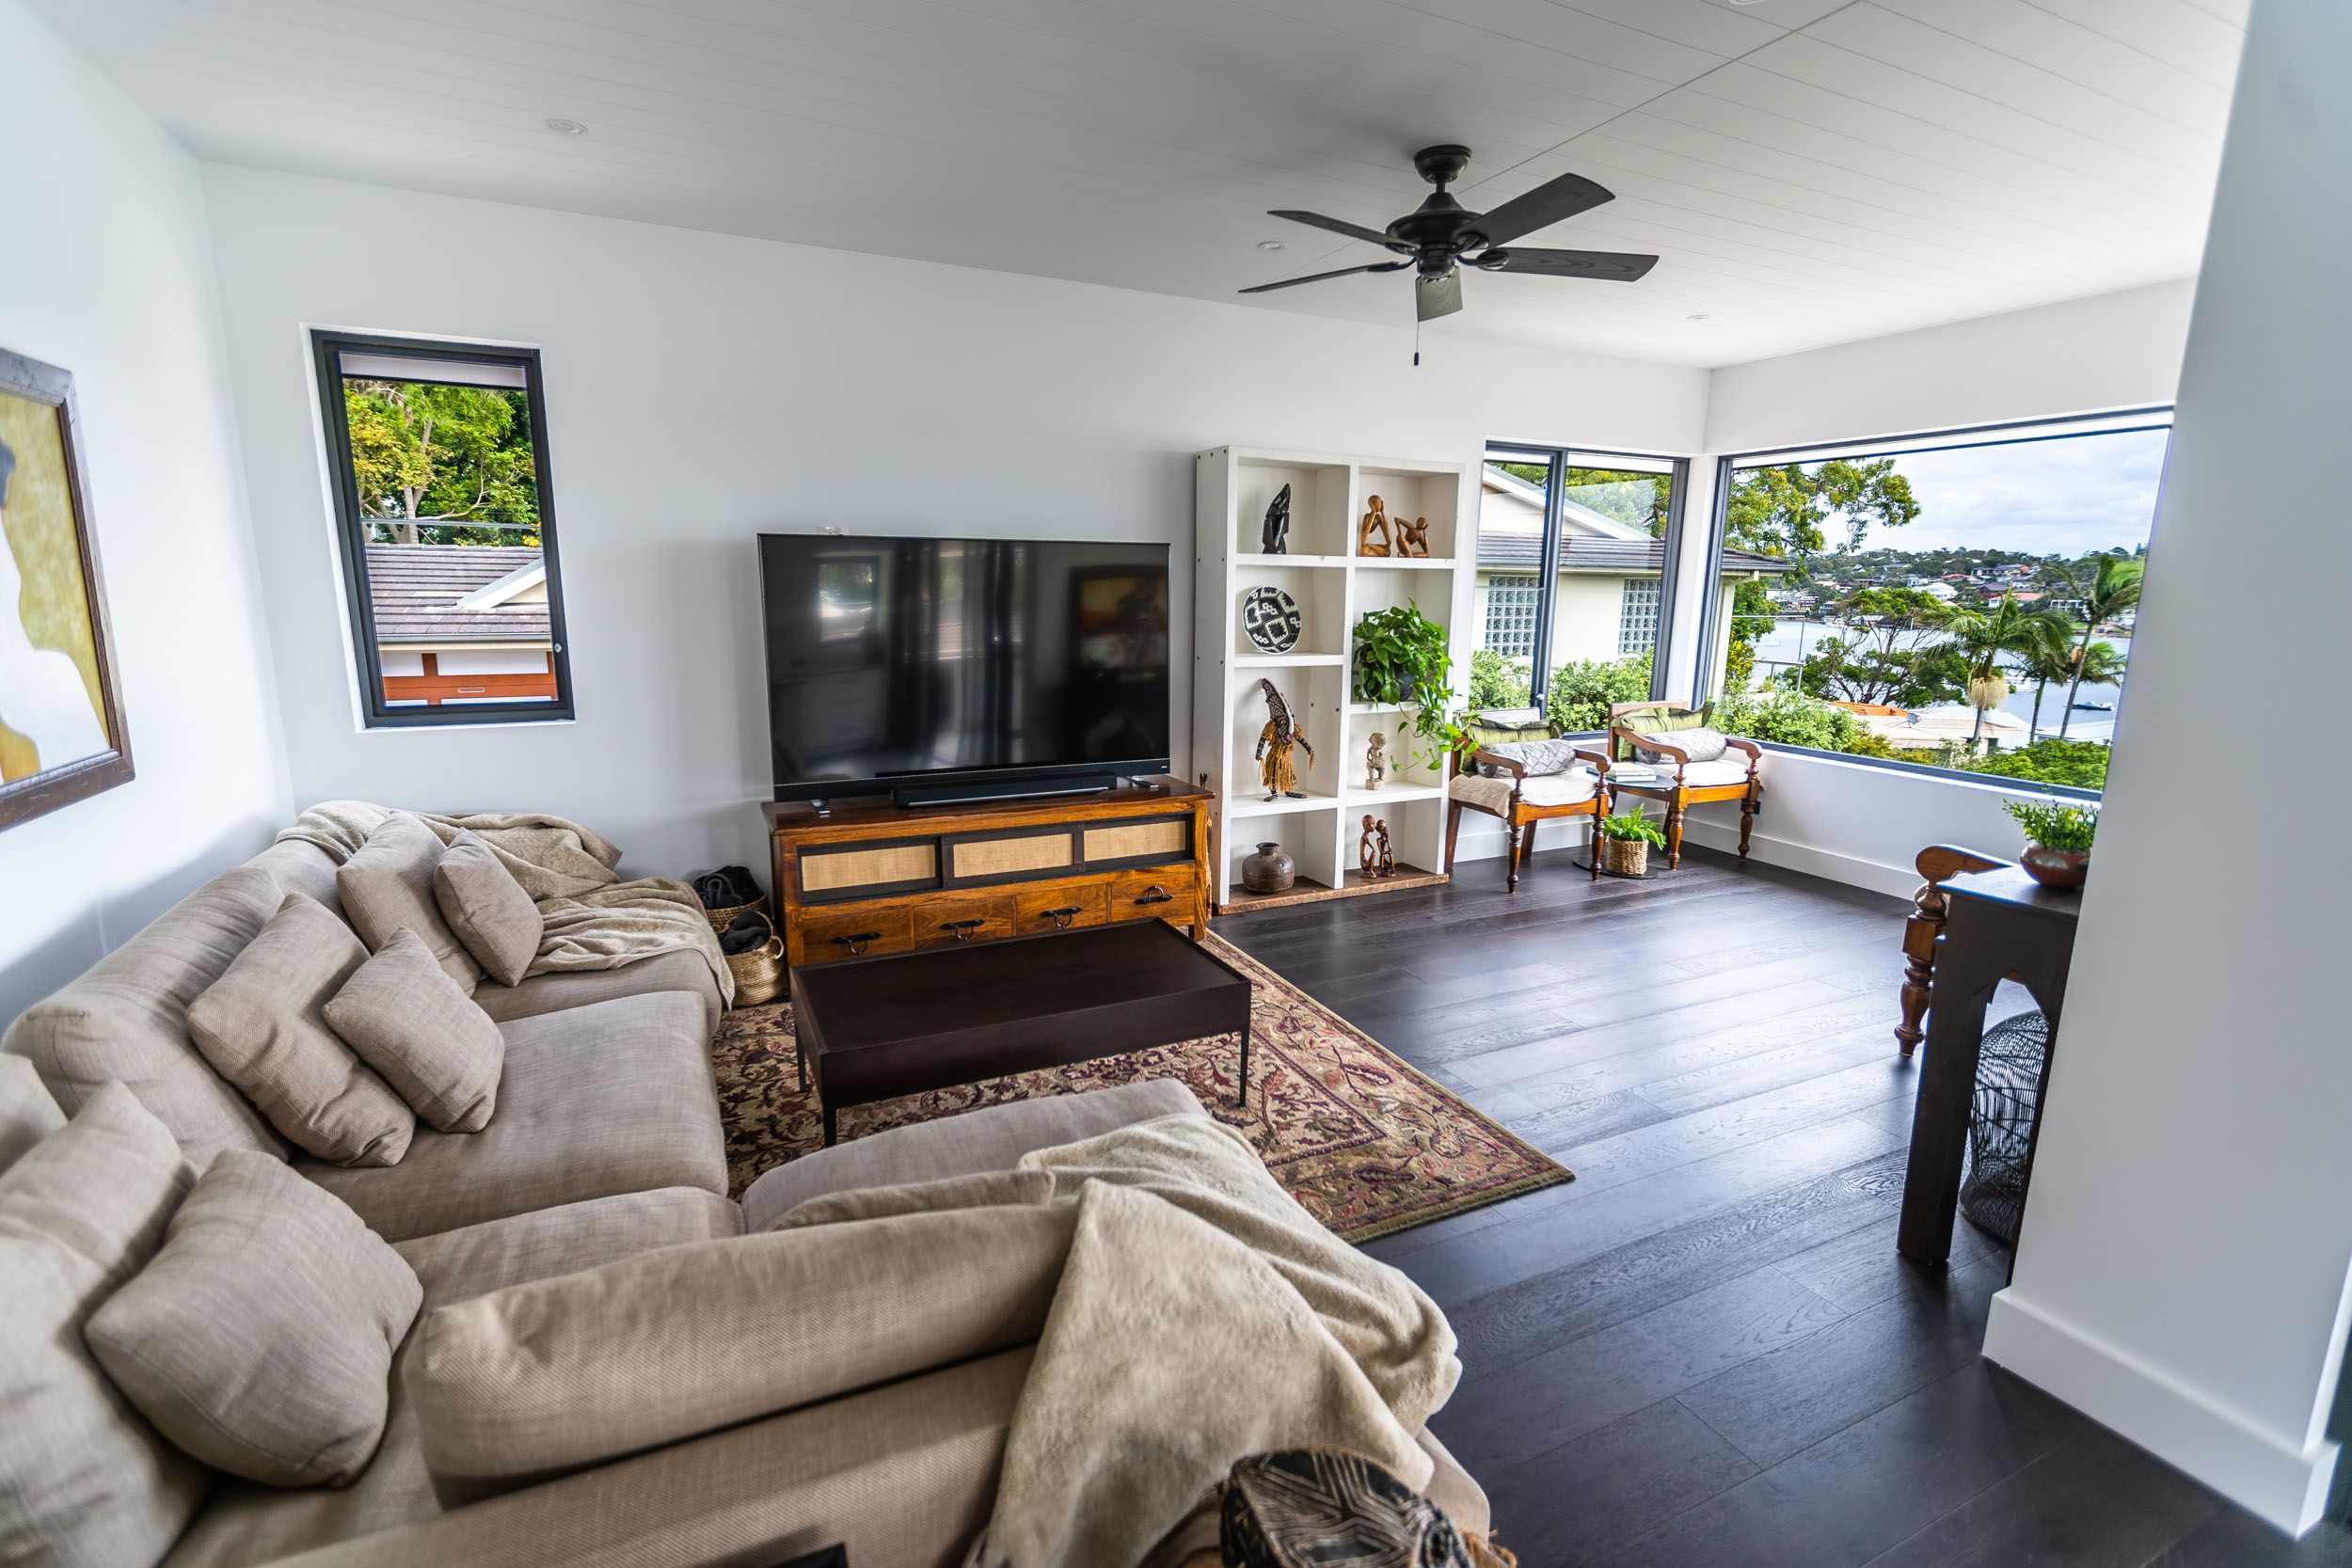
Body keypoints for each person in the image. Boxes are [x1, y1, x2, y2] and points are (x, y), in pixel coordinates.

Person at [0, 434, 111, 779]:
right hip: (7, 658)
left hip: (13, 649)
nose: (9, 490)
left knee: (62, 670)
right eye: (8, 480)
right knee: (59, 674)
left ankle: (82, 770)